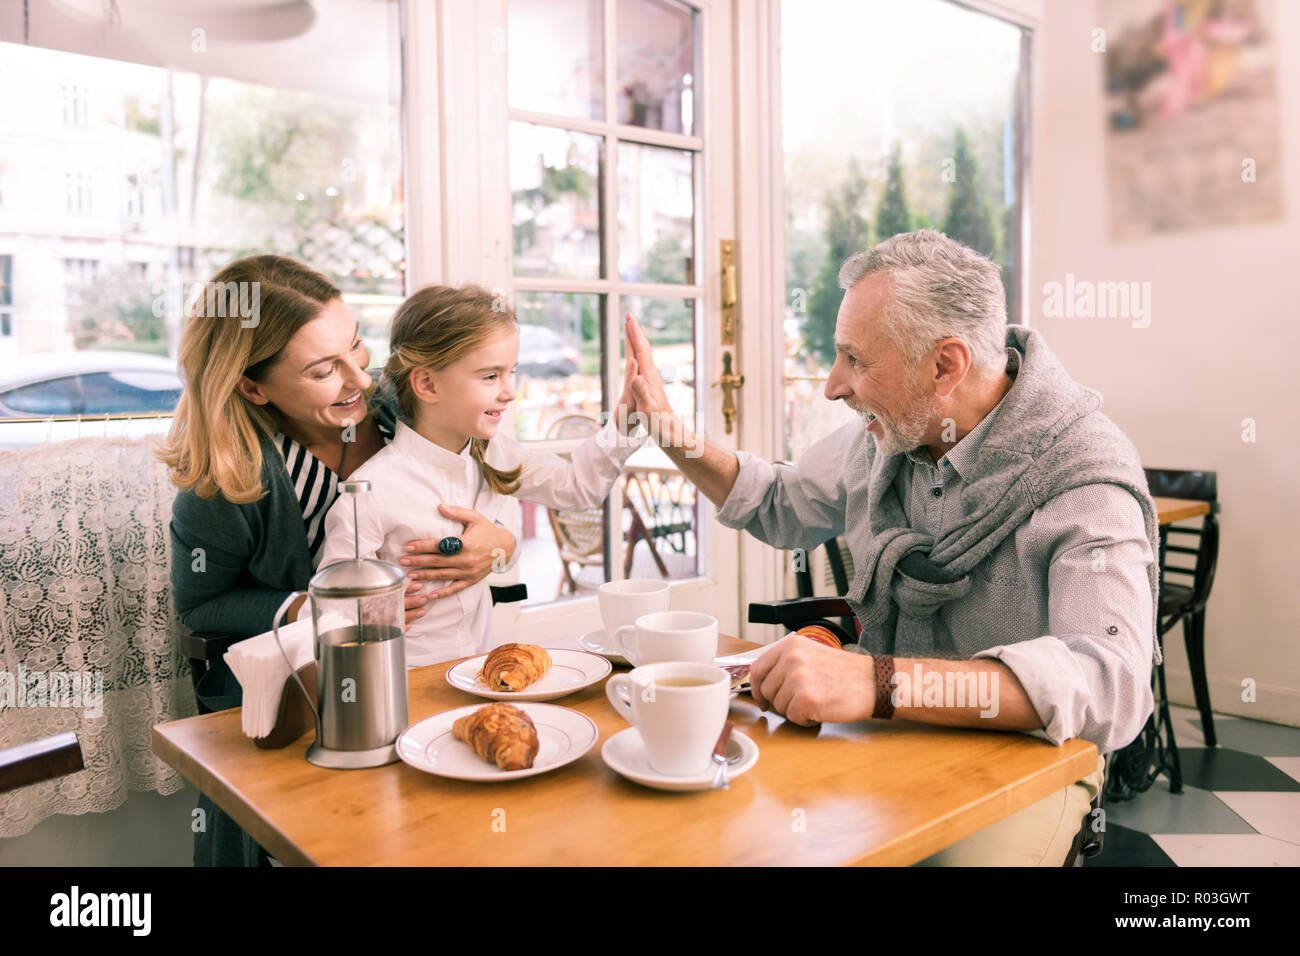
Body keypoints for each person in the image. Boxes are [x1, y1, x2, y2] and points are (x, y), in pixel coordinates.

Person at [624, 229, 1160, 866]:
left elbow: (1113, 683)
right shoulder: (887, 436)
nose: (831, 386)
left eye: (855, 360)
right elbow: (779, 502)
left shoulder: (1085, 476)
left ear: (944, 366)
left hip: (1028, 759)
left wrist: (876, 682)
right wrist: (668, 429)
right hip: (887, 725)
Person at [158, 255, 516, 865]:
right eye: (326, 370)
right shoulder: (227, 480)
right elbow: (200, 605)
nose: (360, 379)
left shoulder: (398, 409)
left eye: (357, 348)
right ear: (252, 386)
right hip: (298, 707)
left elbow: (493, 484)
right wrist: (322, 608)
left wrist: (497, 546)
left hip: (422, 683)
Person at [319, 284, 647, 666]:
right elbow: (334, 612)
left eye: (511, 373)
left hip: (480, 668)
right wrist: (368, 612)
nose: (510, 393)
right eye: (490, 376)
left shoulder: (495, 452)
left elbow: (578, 488)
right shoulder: (372, 492)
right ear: (427, 384)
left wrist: (627, 417)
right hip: (405, 684)